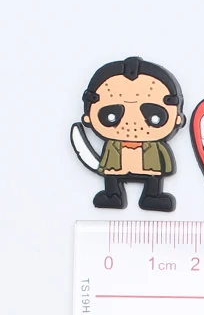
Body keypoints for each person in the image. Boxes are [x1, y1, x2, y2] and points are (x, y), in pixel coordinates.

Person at [70, 56, 184, 211]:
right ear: (88, 118)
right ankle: (113, 195)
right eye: (111, 116)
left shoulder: (156, 149)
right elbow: (106, 163)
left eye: (154, 117)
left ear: (177, 119)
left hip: (149, 167)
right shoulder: (112, 147)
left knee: (153, 177)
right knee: (112, 175)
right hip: (118, 165)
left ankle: (151, 196)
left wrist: (165, 167)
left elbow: (164, 162)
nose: (132, 124)